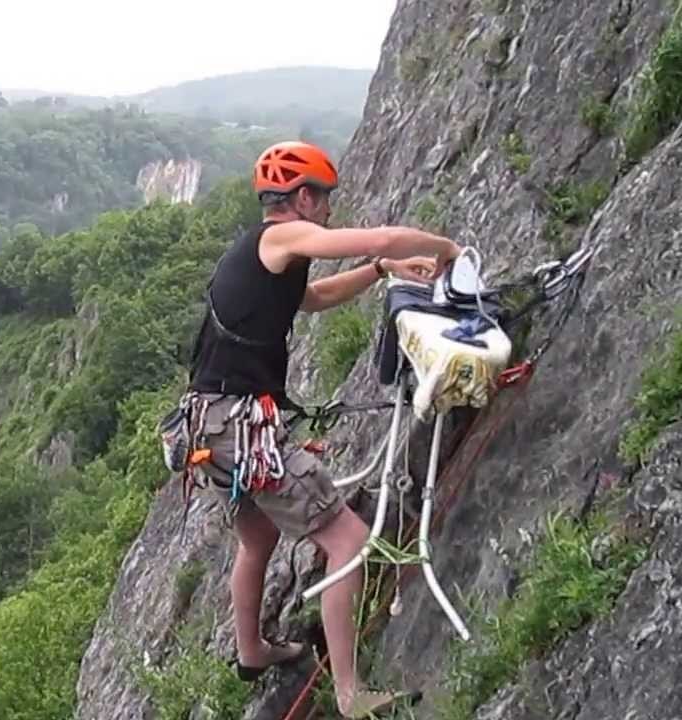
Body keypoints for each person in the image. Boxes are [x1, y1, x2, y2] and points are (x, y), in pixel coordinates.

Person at [183, 141, 460, 718]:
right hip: (240, 427)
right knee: (349, 541)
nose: (330, 209)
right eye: (325, 198)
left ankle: (252, 650)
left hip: (210, 427)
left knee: (257, 538)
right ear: (303, 197)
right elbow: (379, 235)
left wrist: (380, 272)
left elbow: (310, 298)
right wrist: (446, 250)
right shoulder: (280, 237)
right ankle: (351, 695)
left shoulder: (268, 259)